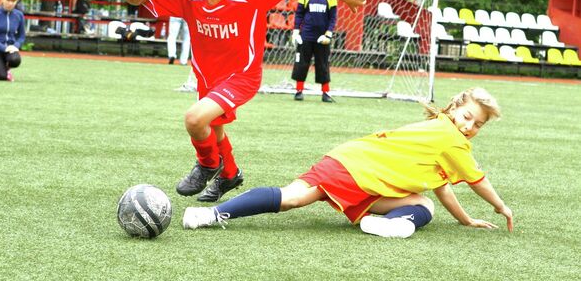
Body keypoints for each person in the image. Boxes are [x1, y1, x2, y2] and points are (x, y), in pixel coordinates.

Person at [122, 0, 366, 203]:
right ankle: (230, 174)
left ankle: (207, 164)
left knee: (194, 119)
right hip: (208, 77)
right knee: (213, 128)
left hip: (242, 76)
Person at [182, 87, 514, 239]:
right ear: (455, 107)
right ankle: (209, 214)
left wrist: (467, 220)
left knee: (423, 203)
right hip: (353, 167)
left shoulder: (442, 134)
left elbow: (443, 189)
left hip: (359, 172)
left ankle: (386, 225)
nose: (470, 126)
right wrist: (501, 206)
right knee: (292, 198)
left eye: (478, 124)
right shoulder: (451, 138)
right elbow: (477, 181)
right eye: (468, 117)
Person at [290, 0, 338, 103]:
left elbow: (333, 17)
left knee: (323, 64)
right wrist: (296, 31)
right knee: (301, 64)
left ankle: (326, 93)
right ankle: (299, 91)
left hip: (322, 38)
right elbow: (299, 14)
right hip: (306, 36)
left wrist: (328, 34)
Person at [166, 0, 191, 65]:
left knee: (172, 36)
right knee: (187, 38)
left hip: (175, 13)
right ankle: (183, 60)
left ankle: (172, 54)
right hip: (187, 14)